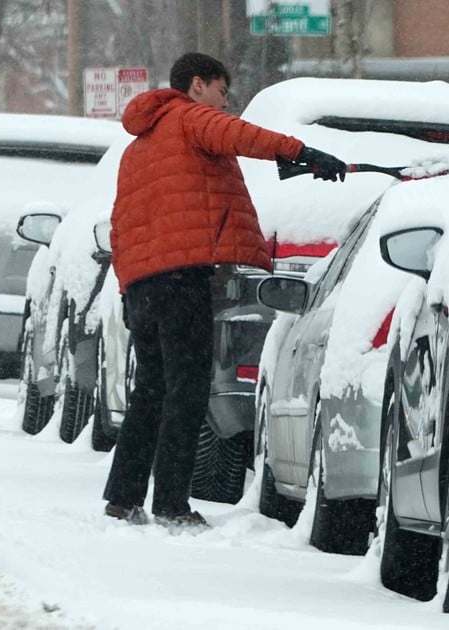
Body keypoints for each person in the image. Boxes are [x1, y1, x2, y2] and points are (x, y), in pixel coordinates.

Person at [103, 52, 346, 530]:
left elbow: (120, 223)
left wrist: (127, 286)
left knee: (150, 391)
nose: (224, 102)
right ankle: (172, 504)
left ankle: (124, 496)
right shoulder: (191, 118)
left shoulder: (138, 148)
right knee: (188, 391)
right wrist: (301, 152)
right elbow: (242, 136)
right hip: (181, 279)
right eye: (221, 91)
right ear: (198, 85)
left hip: (142, 285)